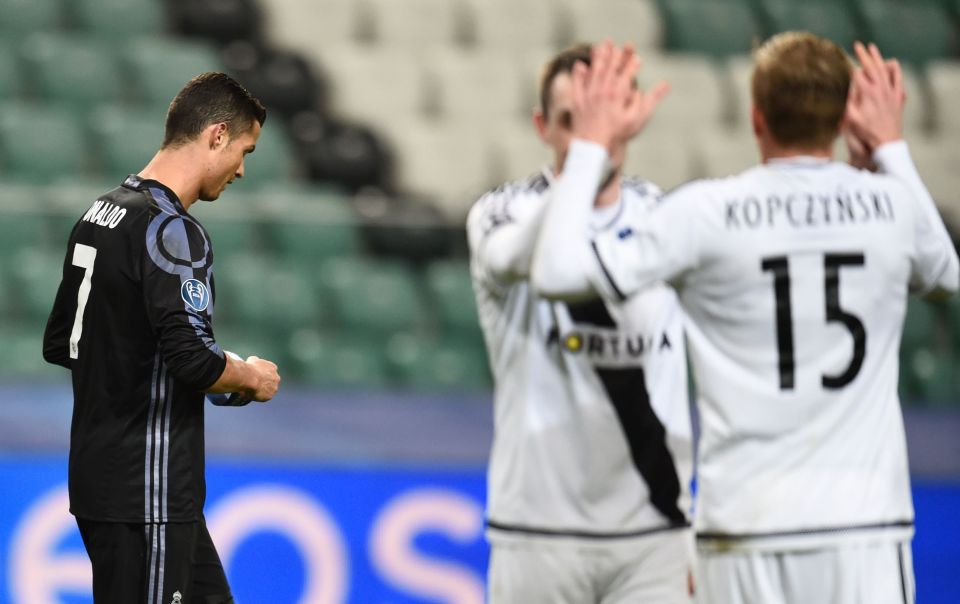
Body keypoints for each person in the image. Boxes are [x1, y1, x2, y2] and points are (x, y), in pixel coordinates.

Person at [529, 36, 959, 604]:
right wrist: (890, 150)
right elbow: (945, 275)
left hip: (742, 526)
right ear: (838, 119)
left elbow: (556, 271)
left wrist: (589, 146)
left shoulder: (705, 213)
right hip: (863, 523)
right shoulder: (892, 206)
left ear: (755, 117)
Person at [42, 72, 282, 604]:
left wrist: (186, 374)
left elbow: (62, 342)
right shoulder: (171, 228)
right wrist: (248, 376)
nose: (242, 168)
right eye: (244, 150)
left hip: (105, 478)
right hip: (148, 490)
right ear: (216, 135)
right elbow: (194, 361)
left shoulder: (99, 214)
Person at [467, 43, 693, 603]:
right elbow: (512, 258)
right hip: (538, 536)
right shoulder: (503, 212)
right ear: (543, 126)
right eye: (574, 121)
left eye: (604, 117)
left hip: (655, 537)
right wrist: (591, 153)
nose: (591, 134)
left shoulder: (668, 218)